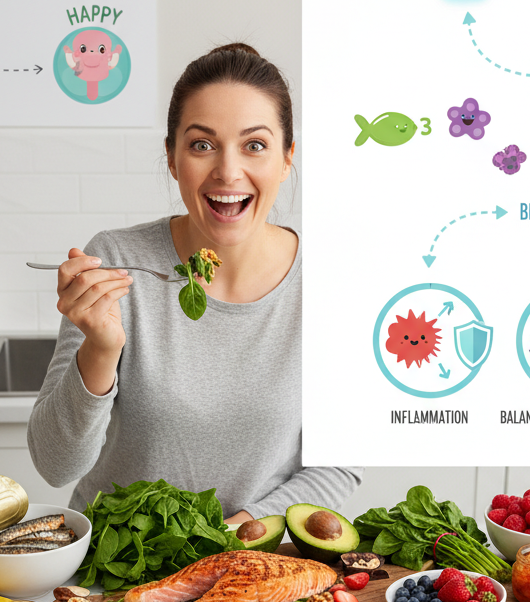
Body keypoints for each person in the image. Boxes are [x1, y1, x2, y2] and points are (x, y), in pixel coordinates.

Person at [28, 43, 361, 524]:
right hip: (117, 564)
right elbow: (55, 465)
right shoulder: (120, 263)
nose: (228, 171)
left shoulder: (327, 283)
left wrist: (236, 535)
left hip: (250, 562)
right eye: (202, 145)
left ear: (287, 158)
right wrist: (99, 351)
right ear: (171, 157)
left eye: (255, 145)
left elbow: (338, 463)